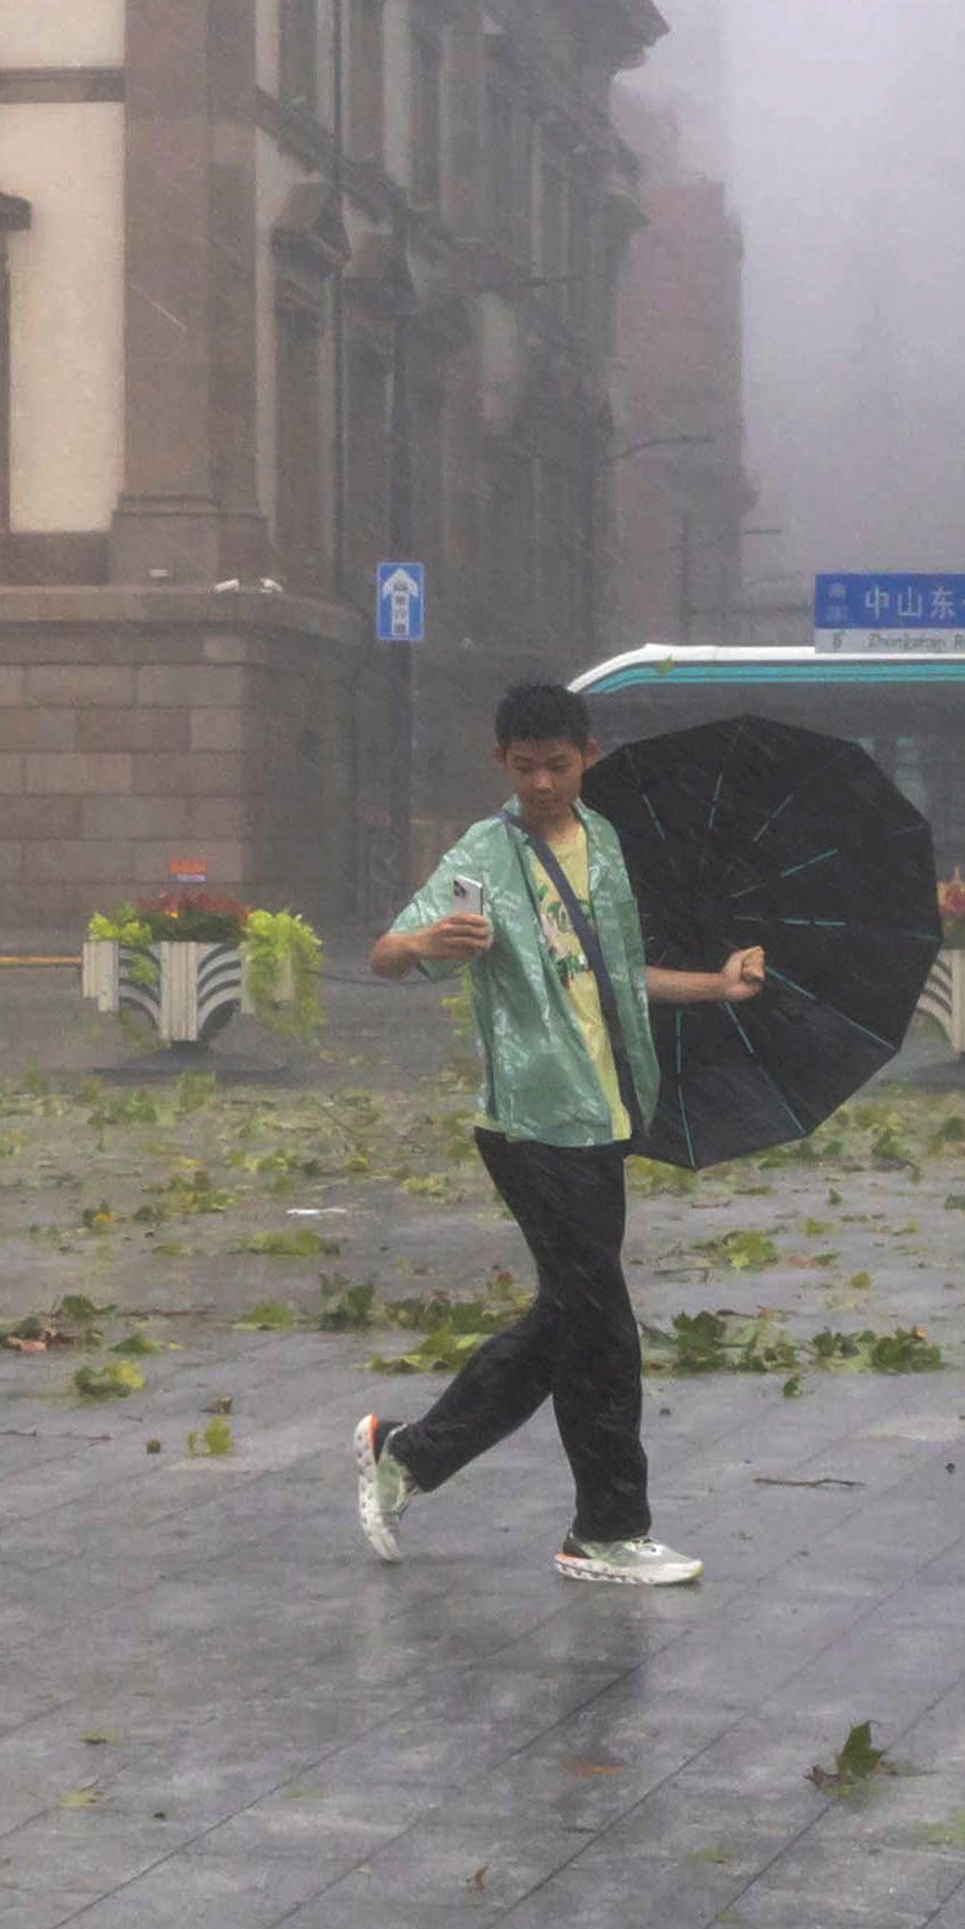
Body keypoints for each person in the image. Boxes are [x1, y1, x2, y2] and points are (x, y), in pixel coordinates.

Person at [353, 679, 764, 1588]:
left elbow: (619, 976)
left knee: (570, 1320)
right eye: (525, 767)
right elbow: (385, 953)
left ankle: (409, 1454)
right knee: (604, 1330)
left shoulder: (606, 845)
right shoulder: (483, 855)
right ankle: (607, 1529)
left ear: (588, 758)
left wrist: (717, 985)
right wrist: (426, 947)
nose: (542, 783)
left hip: (606, 1115)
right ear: (502, 763)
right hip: (530, 1124)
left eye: (560, 765)